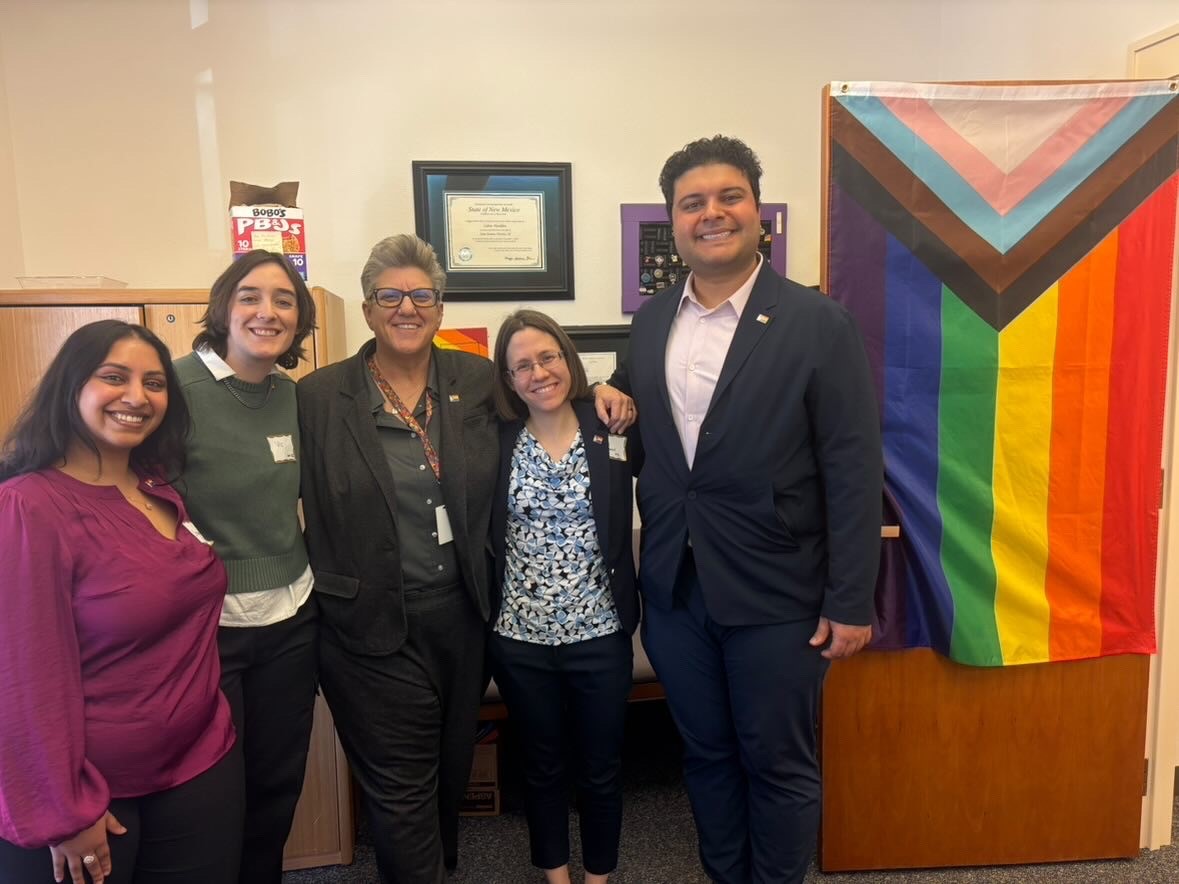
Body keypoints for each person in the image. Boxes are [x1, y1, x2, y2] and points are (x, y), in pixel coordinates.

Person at [595, 135, 883, 883]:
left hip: (777, 590)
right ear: (674, 221)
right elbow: (634, 398)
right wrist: (606, 391)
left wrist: (850, 601)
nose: (711, 213)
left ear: (760, 215)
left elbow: (852, 468)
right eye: (692, 203)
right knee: (708, 757)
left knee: (777, 763)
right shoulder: (653, 320)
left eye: (729, 197)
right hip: (676, 589)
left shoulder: (819, 324)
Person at [0, 320, 244, 884]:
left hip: (201, 763)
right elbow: (21, 681)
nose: (137, 397)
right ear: (72, 386)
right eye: (114, 377)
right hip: (97, 795)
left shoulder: (155, 487)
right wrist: (64, 810)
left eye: (155, 383)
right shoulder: (28, 508)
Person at [297, 233, 499, 884]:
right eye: (390, 295)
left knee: (446, 768)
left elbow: (553, 405)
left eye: (421, 295)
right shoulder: (320, 397)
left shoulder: (478, 381)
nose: (406, 307)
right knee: (402, 788)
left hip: (462, 618)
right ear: (366, 309)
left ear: (440, 309)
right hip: (368, 626)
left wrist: (603, 398)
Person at [172, 250, 319, 884]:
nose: (268, 312)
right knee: (213, 792)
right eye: (251, 297)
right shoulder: (174, 389)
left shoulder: (293, 397)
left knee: (277, 782)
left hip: (292, 618)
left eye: (284, 300)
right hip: (211, 628)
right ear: (224, 307)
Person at [489, 310, 640, 884]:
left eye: (548, 357)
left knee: (601, 769)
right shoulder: (496, 440)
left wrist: (609, 388)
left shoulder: (611, 426)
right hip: (520, 639)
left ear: (569, 361)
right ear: (508, 380)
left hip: (599, 634)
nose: (538, 372)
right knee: (541, 767)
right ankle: (555, 876)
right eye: (522, 365)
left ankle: (598, 877)